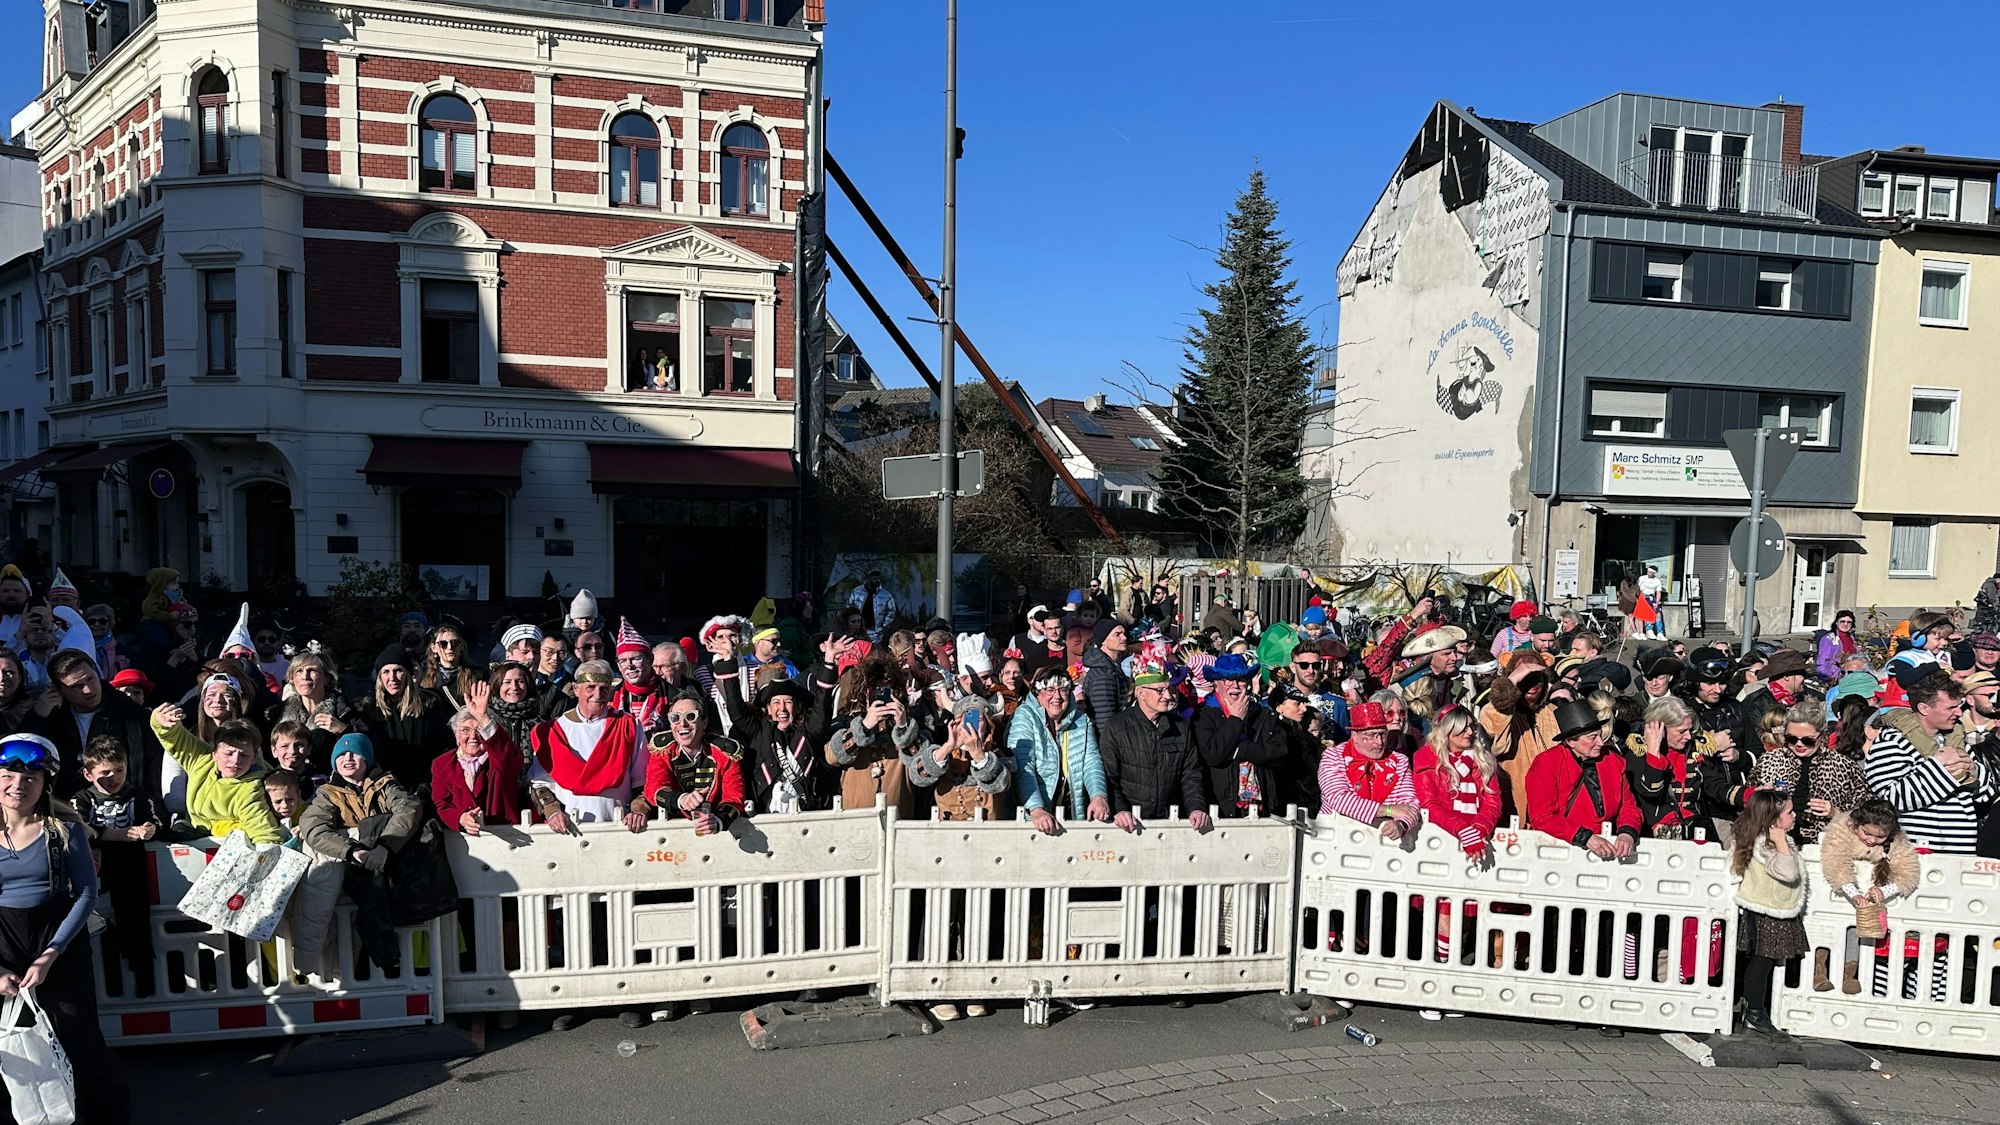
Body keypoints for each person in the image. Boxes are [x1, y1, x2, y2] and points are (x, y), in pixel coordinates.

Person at [0, 732, 131, 1124]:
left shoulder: (63, 830)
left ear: (46, 783)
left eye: (31, 778)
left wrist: (50, 954)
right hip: (4, 944)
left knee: (77, 1037)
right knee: (11, 1048)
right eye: (8, 774)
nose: (18, 786)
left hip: (57, 944)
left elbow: (86, 894)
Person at [298, 732, 424, 973]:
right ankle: (312, 969)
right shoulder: (328, 792)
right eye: (342, 754)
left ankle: (388, 964)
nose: (348, 758)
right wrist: (350, 850)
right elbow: (313, 827)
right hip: (351, 862)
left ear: (367, 759)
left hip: (386, 858)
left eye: (355, 753)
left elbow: (408, 810)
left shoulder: (385, 784)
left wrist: (385, 847)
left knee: (374, 898)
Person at [1864, 669, 1995, 854]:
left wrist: (1974, 771)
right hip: (1913, 854)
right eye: (1951, 708)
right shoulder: (1891, 741)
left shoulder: (1957, 740)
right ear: (1924, 708)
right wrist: (1939, 768)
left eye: (1959, 706)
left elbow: (1986, 794)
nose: (1959, 713)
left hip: (1961, 852)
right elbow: (1891, 799)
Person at [525, 660, 649, 834]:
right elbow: (540, 783)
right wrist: (553, 813)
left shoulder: (629, 726)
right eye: (590, 687)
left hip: (618, 826)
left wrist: (638, 810)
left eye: (604, 688)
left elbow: (642, 780)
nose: (598, 695)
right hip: (568, 827)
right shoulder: (551, 731)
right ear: (576, 689)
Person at [1817, 800, 1920, 996]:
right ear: (1856, 824)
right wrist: (1852, 892)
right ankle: (1819, 970)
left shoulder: (1897, 842)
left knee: (1856, 933)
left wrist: (1885, 891)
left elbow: (1909, 873)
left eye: (1880, 837)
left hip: (1864, 902)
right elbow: (1835, 864)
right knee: (1826, 928)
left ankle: (1849, 974)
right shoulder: (1841, 830)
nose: (1872, 840)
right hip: (1833, 895)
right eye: (1867, 833)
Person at [26, 647, 154, 804]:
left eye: (90, 679)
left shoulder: (129, 711)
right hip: (64, 806)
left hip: (123, 806)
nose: (88, 690)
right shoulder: (51, 715)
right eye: (76, 686)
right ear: (58, 689)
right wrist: (37, 717)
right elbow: (20, 755)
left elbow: (152, 764)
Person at [1730, 790, 1807, 1040]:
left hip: (1776, 910)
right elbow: (1788, 872)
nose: (1795, 816)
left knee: (1765, 962)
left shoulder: (1771, 839)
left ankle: (1753, 1009)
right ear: (1773, 821)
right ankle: (1754, 1013)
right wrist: (1782, 841)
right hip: (1766, 911)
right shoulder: (1768, 844)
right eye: (1789, 813)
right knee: (1761, 963)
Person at [1098, 661, 1210, 830]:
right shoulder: (1116, 727)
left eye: (1169, 689)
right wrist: (1120, 810)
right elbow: (1109, 776)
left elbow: (1191, 774)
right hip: (1128, 823)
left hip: (1169, 821)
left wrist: (1196, 808)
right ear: (1141, 693)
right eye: (1160, 690)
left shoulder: (1181, 727)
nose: (1167, 696)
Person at [150, 709, 285, 844]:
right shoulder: (202, 759)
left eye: (244, 755)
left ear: (255, 757)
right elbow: (177, 739)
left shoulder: (252, 789)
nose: (235, 761)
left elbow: (266, 836)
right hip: (191, 837)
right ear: (214, 753)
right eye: (228, 753)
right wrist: (161, 721)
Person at [1525, 699, 1641, 856]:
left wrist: (1627, 833)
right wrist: (1585, 837)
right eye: (1592, 737)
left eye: (1600, 735)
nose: (1601, 742)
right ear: (1571, 741)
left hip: (1606, 847)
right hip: (1559, 849)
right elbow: (1542, 817)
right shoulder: (1546, 763)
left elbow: (1628, 807)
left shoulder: (1614, 761)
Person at [1750, 701, 1868, 845]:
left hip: (1825, 846)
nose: (1799, 744)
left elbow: (1866, 814)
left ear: (1822, 735)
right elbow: (1749, 804)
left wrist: (1835, 813)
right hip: (1774, 843)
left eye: (1808, 740)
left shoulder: (1843, 766)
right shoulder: (1769, 760)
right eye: (1791, 738)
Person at [630, 689, 746, 833]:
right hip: (673, 830)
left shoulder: (725, 752)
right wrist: (681, 799)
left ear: (704, 722)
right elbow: (654, 788)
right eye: (675, 718)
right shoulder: (663, 749)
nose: (682, 724)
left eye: (691, 717)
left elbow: (734, 797)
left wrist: (718, 821)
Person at [1010, 665, 1108, 835]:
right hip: (1034, 814)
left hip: (1071, 809)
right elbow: (1023, 767)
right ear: (1037, 694)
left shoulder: (1082, 720)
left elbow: (1092, 761)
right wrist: (1036, 809)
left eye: (1063, 689)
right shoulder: (1024, 715)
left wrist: (1098, 796)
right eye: (1049, 690)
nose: (1057, 696)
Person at [1192, 654, 1290, 819]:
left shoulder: (1263, 713)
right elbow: (1212, 754)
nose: (1235, 686)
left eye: (1241, 680)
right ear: (1216, 684)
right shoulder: (1203, 715)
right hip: (1220, 808)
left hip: (1262, 808)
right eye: (1228, 680)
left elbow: (1280, 751)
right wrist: (1236, 719)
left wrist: (1240, 750)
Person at [432, 681, 524, 835]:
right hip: (462, 841)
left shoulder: (498, 758)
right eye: (465, 730)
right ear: (456, 735)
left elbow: (508, 760)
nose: (473, 736)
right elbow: (442, 804)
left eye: (479, 729)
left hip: (505, 835)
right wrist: (460, 818)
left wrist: (483, 717)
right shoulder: (441, 764)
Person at [1480, 652, 1561, 823]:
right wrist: (1511, 681)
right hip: (1514, 805)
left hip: (1551, 806)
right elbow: (1495, 741)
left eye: (1536, 678)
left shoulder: (1554, 713)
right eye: (1524, 679)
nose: (1531, 685)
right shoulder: (1496, 712)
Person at [1319, 702, 1419, 838]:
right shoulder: (1334, 757)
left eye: (1383, 734)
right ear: (1354, 735)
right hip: (1337, 835)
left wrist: (1401, 824)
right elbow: (1339, 799)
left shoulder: (1399, 761)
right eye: (1371, 735)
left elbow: (1410, 802)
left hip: (1382, 840)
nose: (1379, 742)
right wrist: (1388, 810)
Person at [907, 695, 1009, 828]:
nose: (972, 724)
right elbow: (918, 778)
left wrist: (978, 754)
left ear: (988, 726)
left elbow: (1000, 785)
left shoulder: (997, 755)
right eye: (964, 719)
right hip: (947, 832)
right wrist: (949, 746)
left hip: (986, 833)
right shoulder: (944, 753)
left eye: (979, 720)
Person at [1414, 707, 1502, 860]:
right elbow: (1428, 805)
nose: (1469, 732)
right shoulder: (1426, 759)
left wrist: (1478, 830)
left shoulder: (1483, 760)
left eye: (1471, 727)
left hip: (1479, 839)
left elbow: (1493, 803)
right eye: (1463, 728)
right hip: (1438, 840)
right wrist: (1461, 828)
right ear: (1447, 730)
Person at [738, 678, 837, 815]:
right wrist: (727, 661)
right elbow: (736, 710)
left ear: (797, 707)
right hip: (766, 815)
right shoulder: (759, 733)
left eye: (788, 702)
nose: (782, 708)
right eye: (776, 702)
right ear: (768, 708)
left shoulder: (808, 733)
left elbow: (822, 709)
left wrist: (829, 663)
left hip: (803, 815)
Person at [357, 644, 449, 791]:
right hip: (387, 789)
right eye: (386, 672)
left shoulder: (430, 704)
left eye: (398, 670)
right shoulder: (369, 709)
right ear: (379, 677)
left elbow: (444, 748)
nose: (392, 678)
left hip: (427, 786)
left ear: (408, 673)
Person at [267, 650, 362, 773]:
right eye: (299, 671)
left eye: (312, 670)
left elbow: (366, 748)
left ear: (327, 678)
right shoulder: (275, 713)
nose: (304, 676)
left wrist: (343, 731)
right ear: (292, 679)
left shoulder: (346, 711)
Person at [609, 618, 668, 735]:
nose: (629, 666)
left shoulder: (671, 695)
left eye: (635, 659)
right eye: (623, 661)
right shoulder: (609, 697)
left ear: (650, 659)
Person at [1079, 619, 1131, 728]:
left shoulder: (1112, 667)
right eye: (1117, 635)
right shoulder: (1103, 676)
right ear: (1103, 641)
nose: (1124, 638)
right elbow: (1105, 720)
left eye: (1124, 634)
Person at [420, 623, 481, 713]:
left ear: (460, 646)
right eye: (443, 643)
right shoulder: (423, 676)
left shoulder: (477, 675)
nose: (450, 647)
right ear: (434, 648)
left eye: (455, 643)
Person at [848, 570, 897, 644]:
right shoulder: (856, 592)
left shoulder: (886, 595)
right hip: (858, 630)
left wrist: (883, 626)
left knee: (875, 653)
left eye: (878, 578)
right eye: (874, 578)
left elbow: (891, 611)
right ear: (869, 579)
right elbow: (849, 607)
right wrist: (852, 624)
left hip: (876, 632)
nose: (877, 580)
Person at [1817, 610, 1861, 679]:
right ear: (1837, 622)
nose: (1845, 624)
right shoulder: (1829, 639)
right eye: (1842, 621)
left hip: (1853, 676)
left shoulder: (1852, 638)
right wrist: (1824, 678)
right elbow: (1822, 661)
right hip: (1835, 677)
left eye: (1849, 622)